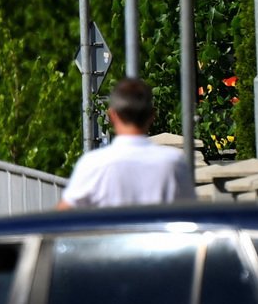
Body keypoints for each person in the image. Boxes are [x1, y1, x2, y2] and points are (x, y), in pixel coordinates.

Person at [57, 77, 195, 209]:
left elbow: (62, 217)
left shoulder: (93, 164)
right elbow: (190, 213)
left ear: (112, 115)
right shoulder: (173, 162)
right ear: (152, 115)